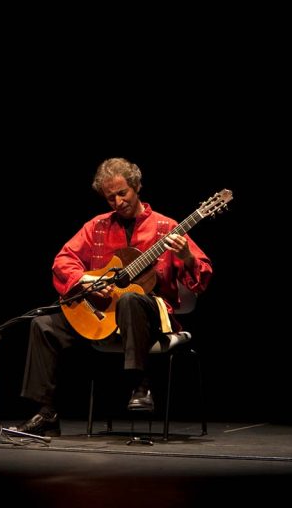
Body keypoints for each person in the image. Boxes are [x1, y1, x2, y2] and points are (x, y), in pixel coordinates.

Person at [14, 157, 213, 436]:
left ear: (137, 186)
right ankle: (45, 412)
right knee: (43, 325)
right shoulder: (96, 227)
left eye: (123, 193)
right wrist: (87, 279)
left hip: (150, 316)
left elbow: (202, 276)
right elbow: (62, 260)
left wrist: (186, 256)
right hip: (106, 316)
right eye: (111, 198)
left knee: (131, 299)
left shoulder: (166, 227)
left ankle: (140, 386)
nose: (118, 202)